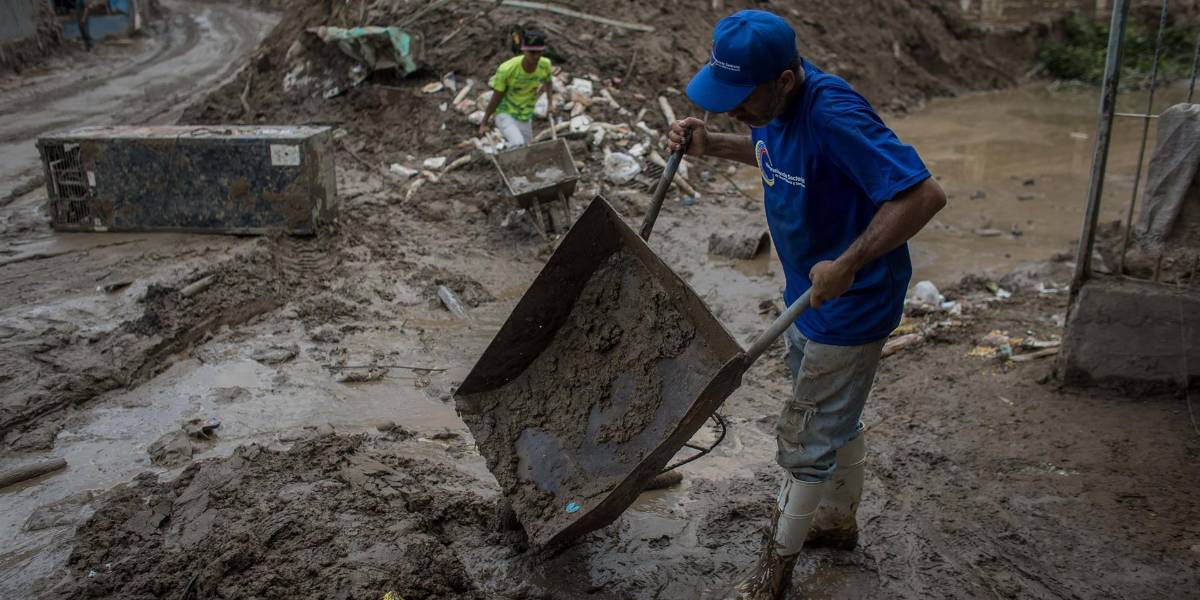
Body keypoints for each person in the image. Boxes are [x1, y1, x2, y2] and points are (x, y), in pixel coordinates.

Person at [667, 10, 946, 600]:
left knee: (805, 434)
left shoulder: (834, 115)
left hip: (851, 301)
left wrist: (849, 262)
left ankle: (775, 569)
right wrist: (713, 144)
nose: (731, 110)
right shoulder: (774, 103)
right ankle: (835, 522)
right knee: (831, 417)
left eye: (740, 100)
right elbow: (780, 153)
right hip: (804, 292)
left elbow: (924, 194)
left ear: (786, 81)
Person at [478, 30, 554, 148]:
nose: (536, 56)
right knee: (518, 144)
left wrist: (550, 104)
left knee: (527, 149)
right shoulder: (507, 70)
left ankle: (509, 159)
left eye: (539, 52)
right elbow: (496, 98)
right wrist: (484, 121)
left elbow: (548, 83)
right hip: (505, 113)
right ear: (523, 50)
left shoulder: (545, 65)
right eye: (532, 52)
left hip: (525, 115)